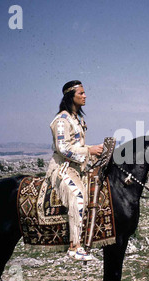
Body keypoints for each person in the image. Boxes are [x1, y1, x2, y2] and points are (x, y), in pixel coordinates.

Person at [46, 80, 103, 261]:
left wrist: (96, 151)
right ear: (71, 96)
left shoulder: (78, 119)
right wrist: (89, 150)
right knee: (78, 195)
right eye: (81, 93)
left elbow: (79, 145)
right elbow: (62, 148)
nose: (85, 96)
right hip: (63, 168)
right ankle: (74, 246)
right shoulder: (61, 120)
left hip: (79, 167)